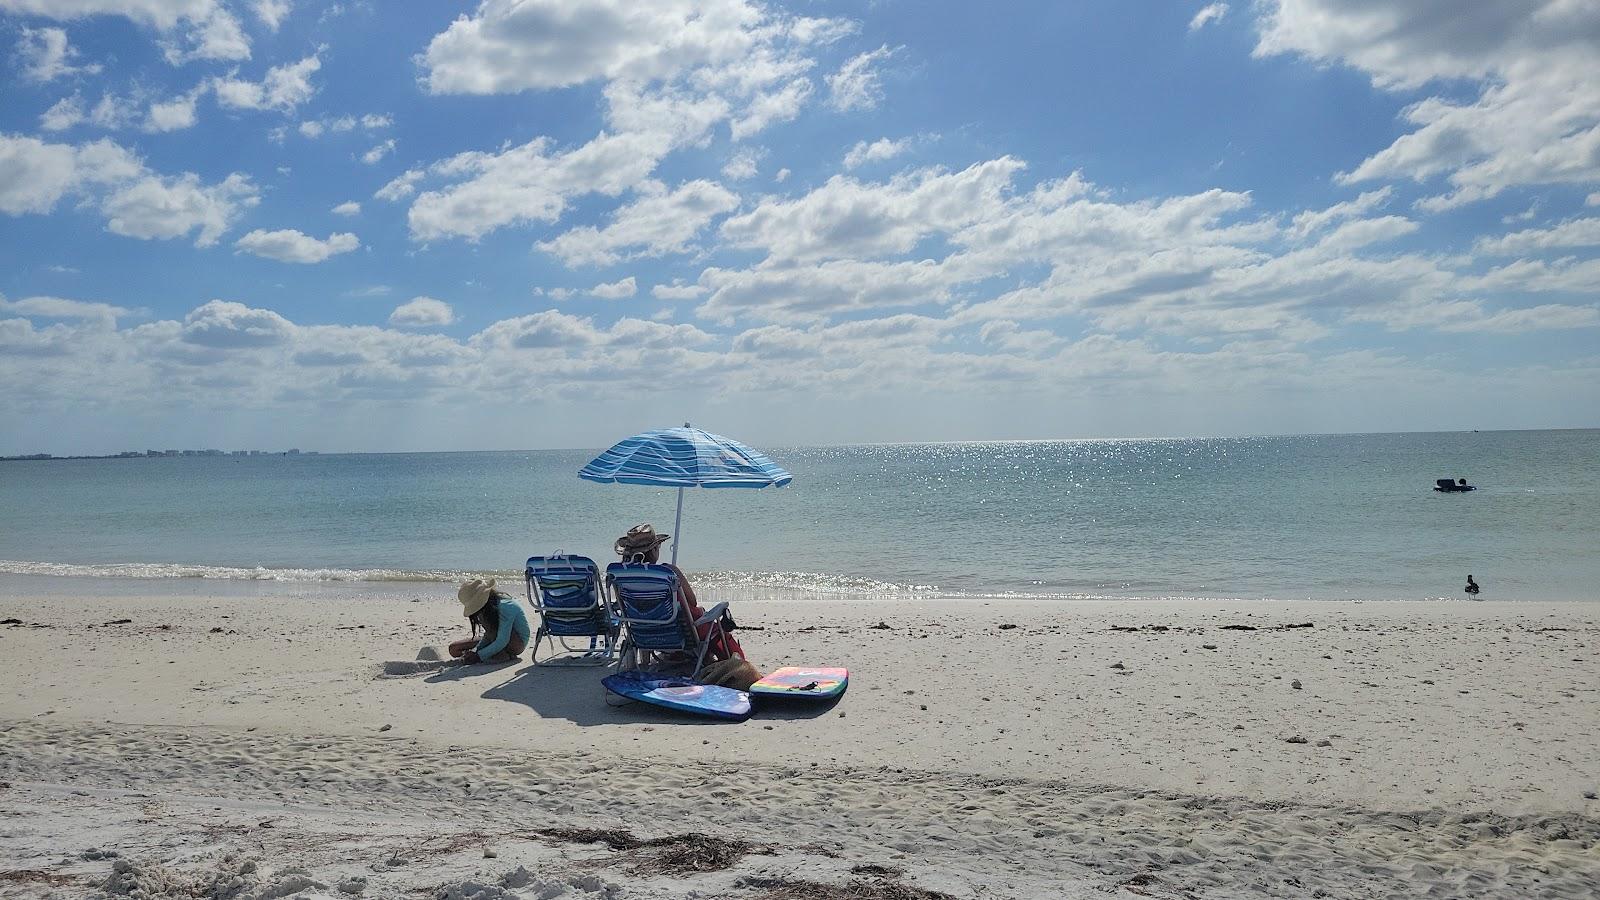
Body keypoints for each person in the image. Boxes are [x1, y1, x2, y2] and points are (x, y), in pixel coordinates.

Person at [614, 524, 743, 661]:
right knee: (708, 623)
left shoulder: (622, 578)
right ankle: (730, 659)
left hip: (642, 635)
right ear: (653, 550)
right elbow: (692, 601)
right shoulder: (668, 573)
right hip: (677, 634)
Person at [449, 577, 530, 664]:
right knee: (454, 649)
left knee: (489, 649)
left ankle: (503, 655)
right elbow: (488, 635)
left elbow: (502, 640)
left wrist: (478, 655)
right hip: (496, 637)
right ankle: (495, 653)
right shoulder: (486, 608)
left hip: (516, 642)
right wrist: (475, 651)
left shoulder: (506, 606)